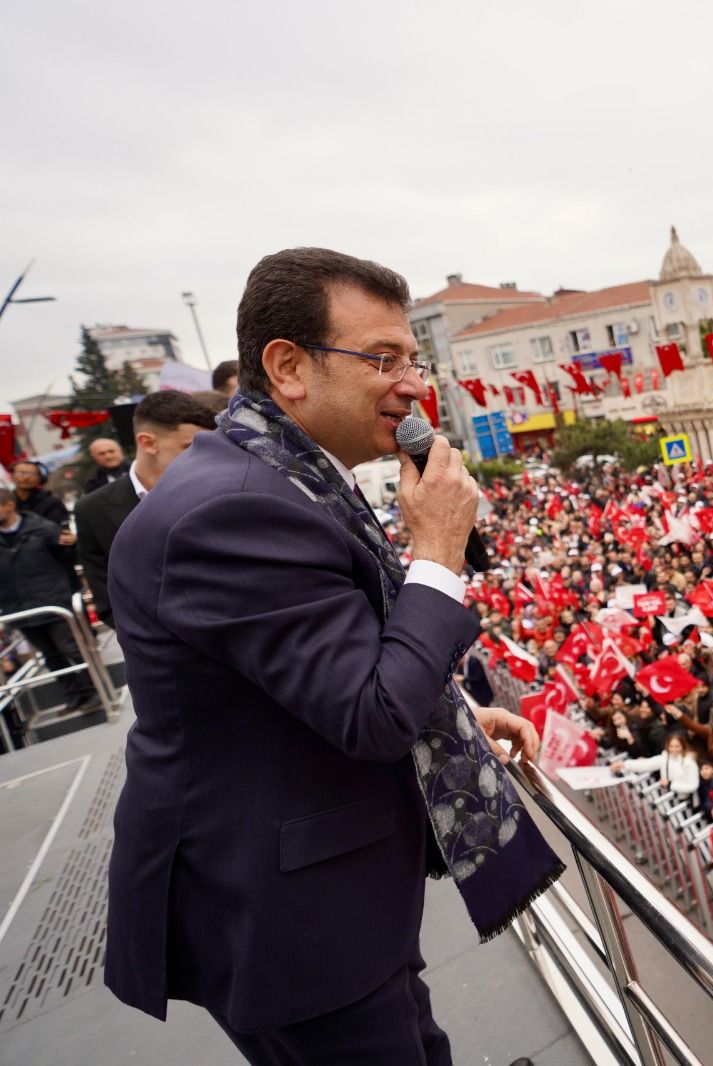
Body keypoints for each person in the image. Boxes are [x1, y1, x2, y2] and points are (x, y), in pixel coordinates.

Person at [104, 248, 563, 1064]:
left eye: (412, 359)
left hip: (331, 895)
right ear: (288, 367)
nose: (414, 384)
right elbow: (371, 713)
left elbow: (321, 670)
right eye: (382, 359)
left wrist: (451, 715)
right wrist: (439, 552)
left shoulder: (281, 475)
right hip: (289, 920)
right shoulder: (235, 510)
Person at [75, 391, 217, 630]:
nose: (206, 457)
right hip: (165, 656)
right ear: (148, 443)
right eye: (190, 447)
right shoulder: (93, 510)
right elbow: (108, 600)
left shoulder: (224, 489)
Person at [0, 487, 97, 709]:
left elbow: (69, 558)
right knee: (50, 656)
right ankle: (74, 695)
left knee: (72, 649)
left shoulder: (43, 528)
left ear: (9, 505)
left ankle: (94, 689)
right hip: (19, 609)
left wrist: (72, 545)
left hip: (52, 603)